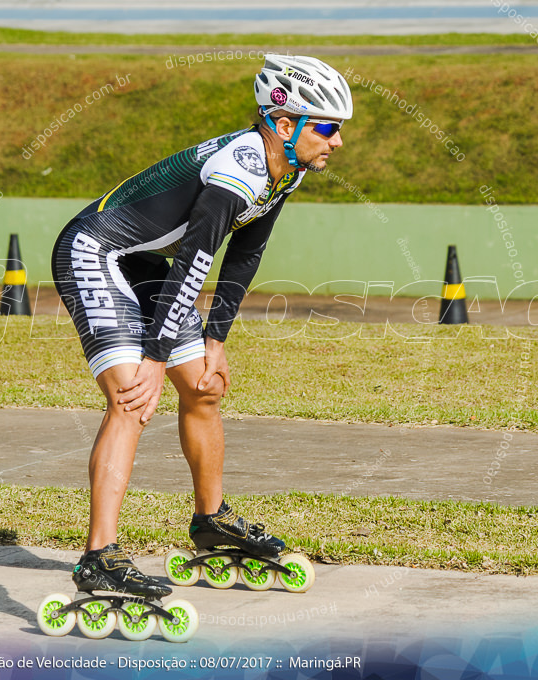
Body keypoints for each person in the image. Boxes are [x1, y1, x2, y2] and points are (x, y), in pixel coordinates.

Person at [51, 54, 352, 595]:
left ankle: (210, 521)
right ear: (285, 125)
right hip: (94, 251)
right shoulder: (240, 168)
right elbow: (195, 259)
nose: (336, 140)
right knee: (132, 398)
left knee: (203, 389)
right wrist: (154, 356)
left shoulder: (287, 168)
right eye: (327, 127)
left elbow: (245, 254)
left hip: (141, 260)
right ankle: (98, 557)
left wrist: (215, 340)